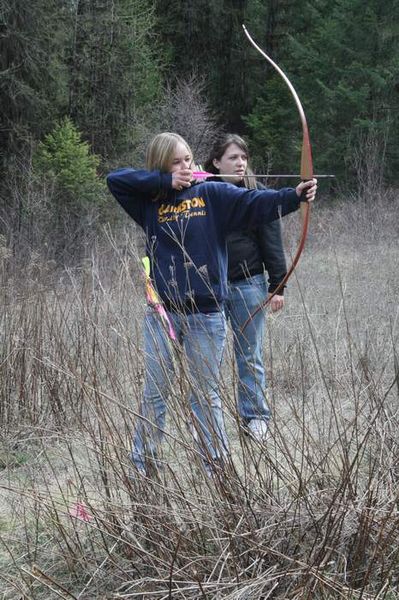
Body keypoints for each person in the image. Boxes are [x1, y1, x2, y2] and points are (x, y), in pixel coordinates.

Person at [106, 132, 317, 476]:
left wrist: (295, 196)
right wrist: (164, 181)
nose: (185, 167)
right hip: (162, 314)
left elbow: (257, 203)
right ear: (161, 166)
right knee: (155, 391)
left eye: (188, 159)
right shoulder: (149, 203)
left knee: (205, 396)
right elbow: (115, 180)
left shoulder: (211, 193)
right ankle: (143, 465)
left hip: (206, 315)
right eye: (175, 162)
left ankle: (215, 466)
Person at [204, 134, 289, 443]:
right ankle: (209, 426)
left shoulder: (257, 195)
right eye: (233, 158)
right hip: (208, 288)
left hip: (248, 284)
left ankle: (255, 419)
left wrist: (277, 284)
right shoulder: (201, 193)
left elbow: (272, 242)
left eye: (243, 158)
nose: (240, 163)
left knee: (249, 354)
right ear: (216, 162)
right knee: (206, 358)